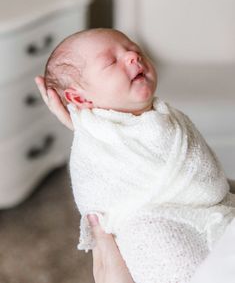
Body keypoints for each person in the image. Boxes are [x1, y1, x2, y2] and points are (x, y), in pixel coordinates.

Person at [35, 28, 235, 283]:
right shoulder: (93, 135)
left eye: (135, 50)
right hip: (147, 221)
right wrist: (83, 125)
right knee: (163, 249)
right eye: (110, 61)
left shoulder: (164, 115)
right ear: (78, 97)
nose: (132, 56)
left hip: (207, 209)